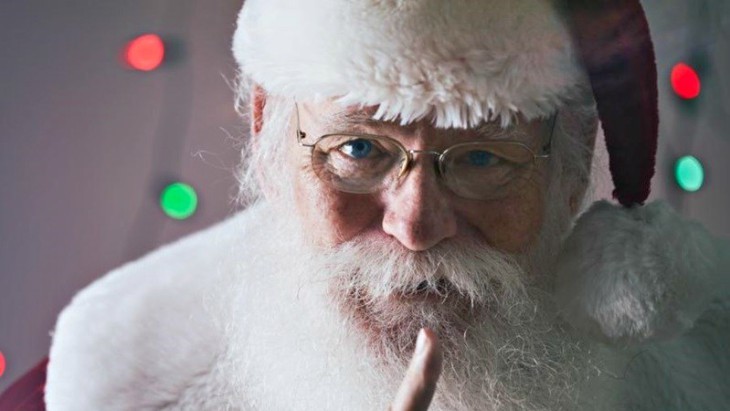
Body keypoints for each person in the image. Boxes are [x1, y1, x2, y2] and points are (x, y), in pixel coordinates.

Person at [44, 0, 730, 409]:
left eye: (483, 157)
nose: (417, 225)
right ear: (268, 131)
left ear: (572, 164)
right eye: (359, 151)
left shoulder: (709, 364)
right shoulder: (126, 385)